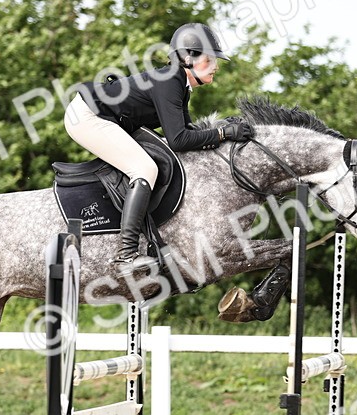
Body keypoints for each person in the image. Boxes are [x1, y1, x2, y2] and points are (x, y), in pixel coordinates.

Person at [65, 22, 255, 275]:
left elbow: (189, 134)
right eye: (210, 60)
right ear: (188, 59)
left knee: (154, 162)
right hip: (87, 116)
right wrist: (222, 133)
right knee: (144, 168)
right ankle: (126, 255)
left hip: (108, 117)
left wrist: (225, 129)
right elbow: (178, 140)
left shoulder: (178, 85)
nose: (216, 66)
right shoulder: (169, 82)